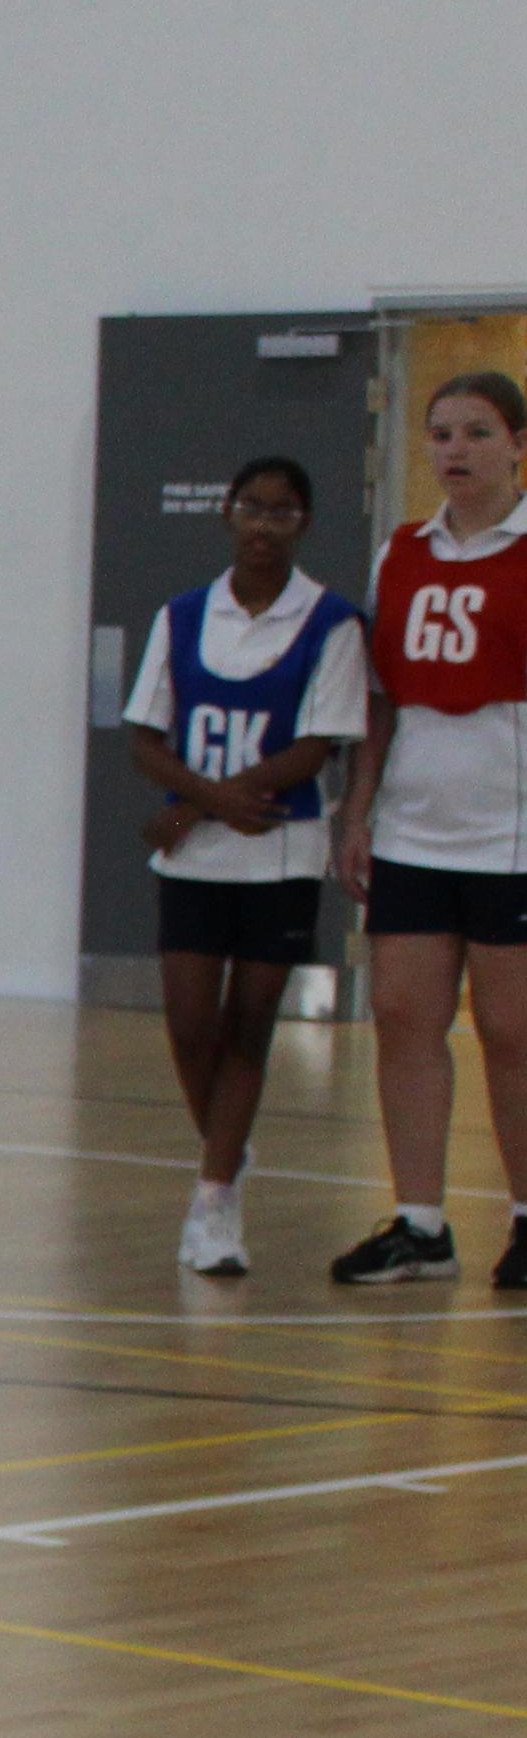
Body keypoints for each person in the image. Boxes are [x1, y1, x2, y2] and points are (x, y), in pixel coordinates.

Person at [120, 456, 362, 1277]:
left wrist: (199, 804)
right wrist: (206, 805)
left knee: (250, 1026)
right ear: (227, 512)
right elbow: (145, 737)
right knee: (192, 1026)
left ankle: (215, 1200)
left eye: (282, 511)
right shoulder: (184, 615)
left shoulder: (332, 622)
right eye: (251, 507)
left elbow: (315, 746)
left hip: (281, 851)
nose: (264, 524)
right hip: (196, 859)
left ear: (304, 523)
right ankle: (227, 1146)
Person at [333, 371, 527, 1288]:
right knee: (404, 1017)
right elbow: (379, 696)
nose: (456, 450)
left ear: (518, 445)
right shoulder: (400, 553)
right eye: (441, 433)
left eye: (477, 433)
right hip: (414, 827)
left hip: (512, 832)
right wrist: (358, 808)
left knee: (512, 1029)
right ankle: (420, 1223)